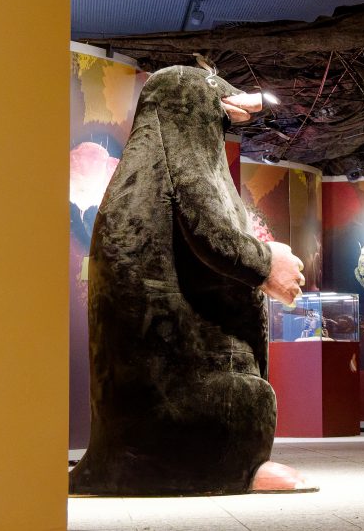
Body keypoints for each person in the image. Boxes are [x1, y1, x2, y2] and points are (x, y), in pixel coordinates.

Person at [70, 65, 313, 495]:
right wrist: (266, 263)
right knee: (239, 398)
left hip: (145, 404)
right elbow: (210, 234)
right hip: (185, 399)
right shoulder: (184, 159)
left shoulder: (142, 169)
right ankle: (229, 468)